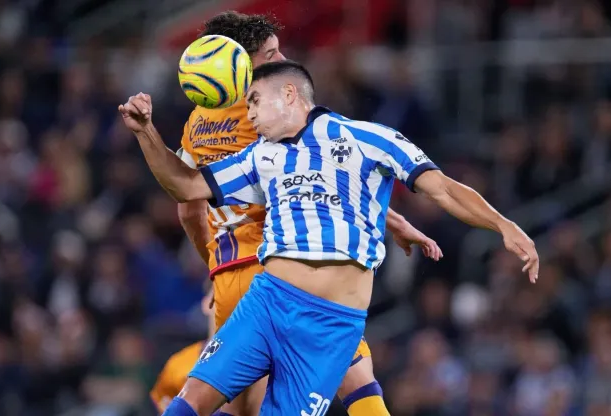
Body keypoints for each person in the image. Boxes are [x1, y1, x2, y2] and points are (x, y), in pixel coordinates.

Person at [118, 60, 539, 416]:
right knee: (190, 401)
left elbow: (443, 188)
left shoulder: (370, 139)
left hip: (329, 325)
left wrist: (504, 225)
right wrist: (145, 133)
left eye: (254, 102)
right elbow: (187, 187)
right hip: (267, 302)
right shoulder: (262, 155)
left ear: (288, 94)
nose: (249, 115)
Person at [173, 11, 441, 416]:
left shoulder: (195, 126)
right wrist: (392, 220)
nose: (282, 58)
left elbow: (188, 212)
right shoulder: (266, 116)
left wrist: (212, 263)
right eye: (271, 53)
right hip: (284, 274)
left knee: (233, 403)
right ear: (239, 63)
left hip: (230, 276)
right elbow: (321, 177)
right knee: (358, 379)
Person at [151, 289, 215, 413]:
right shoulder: (178, 365)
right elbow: (162, 403)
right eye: (221, 293)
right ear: (207, 303)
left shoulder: (259, 362)